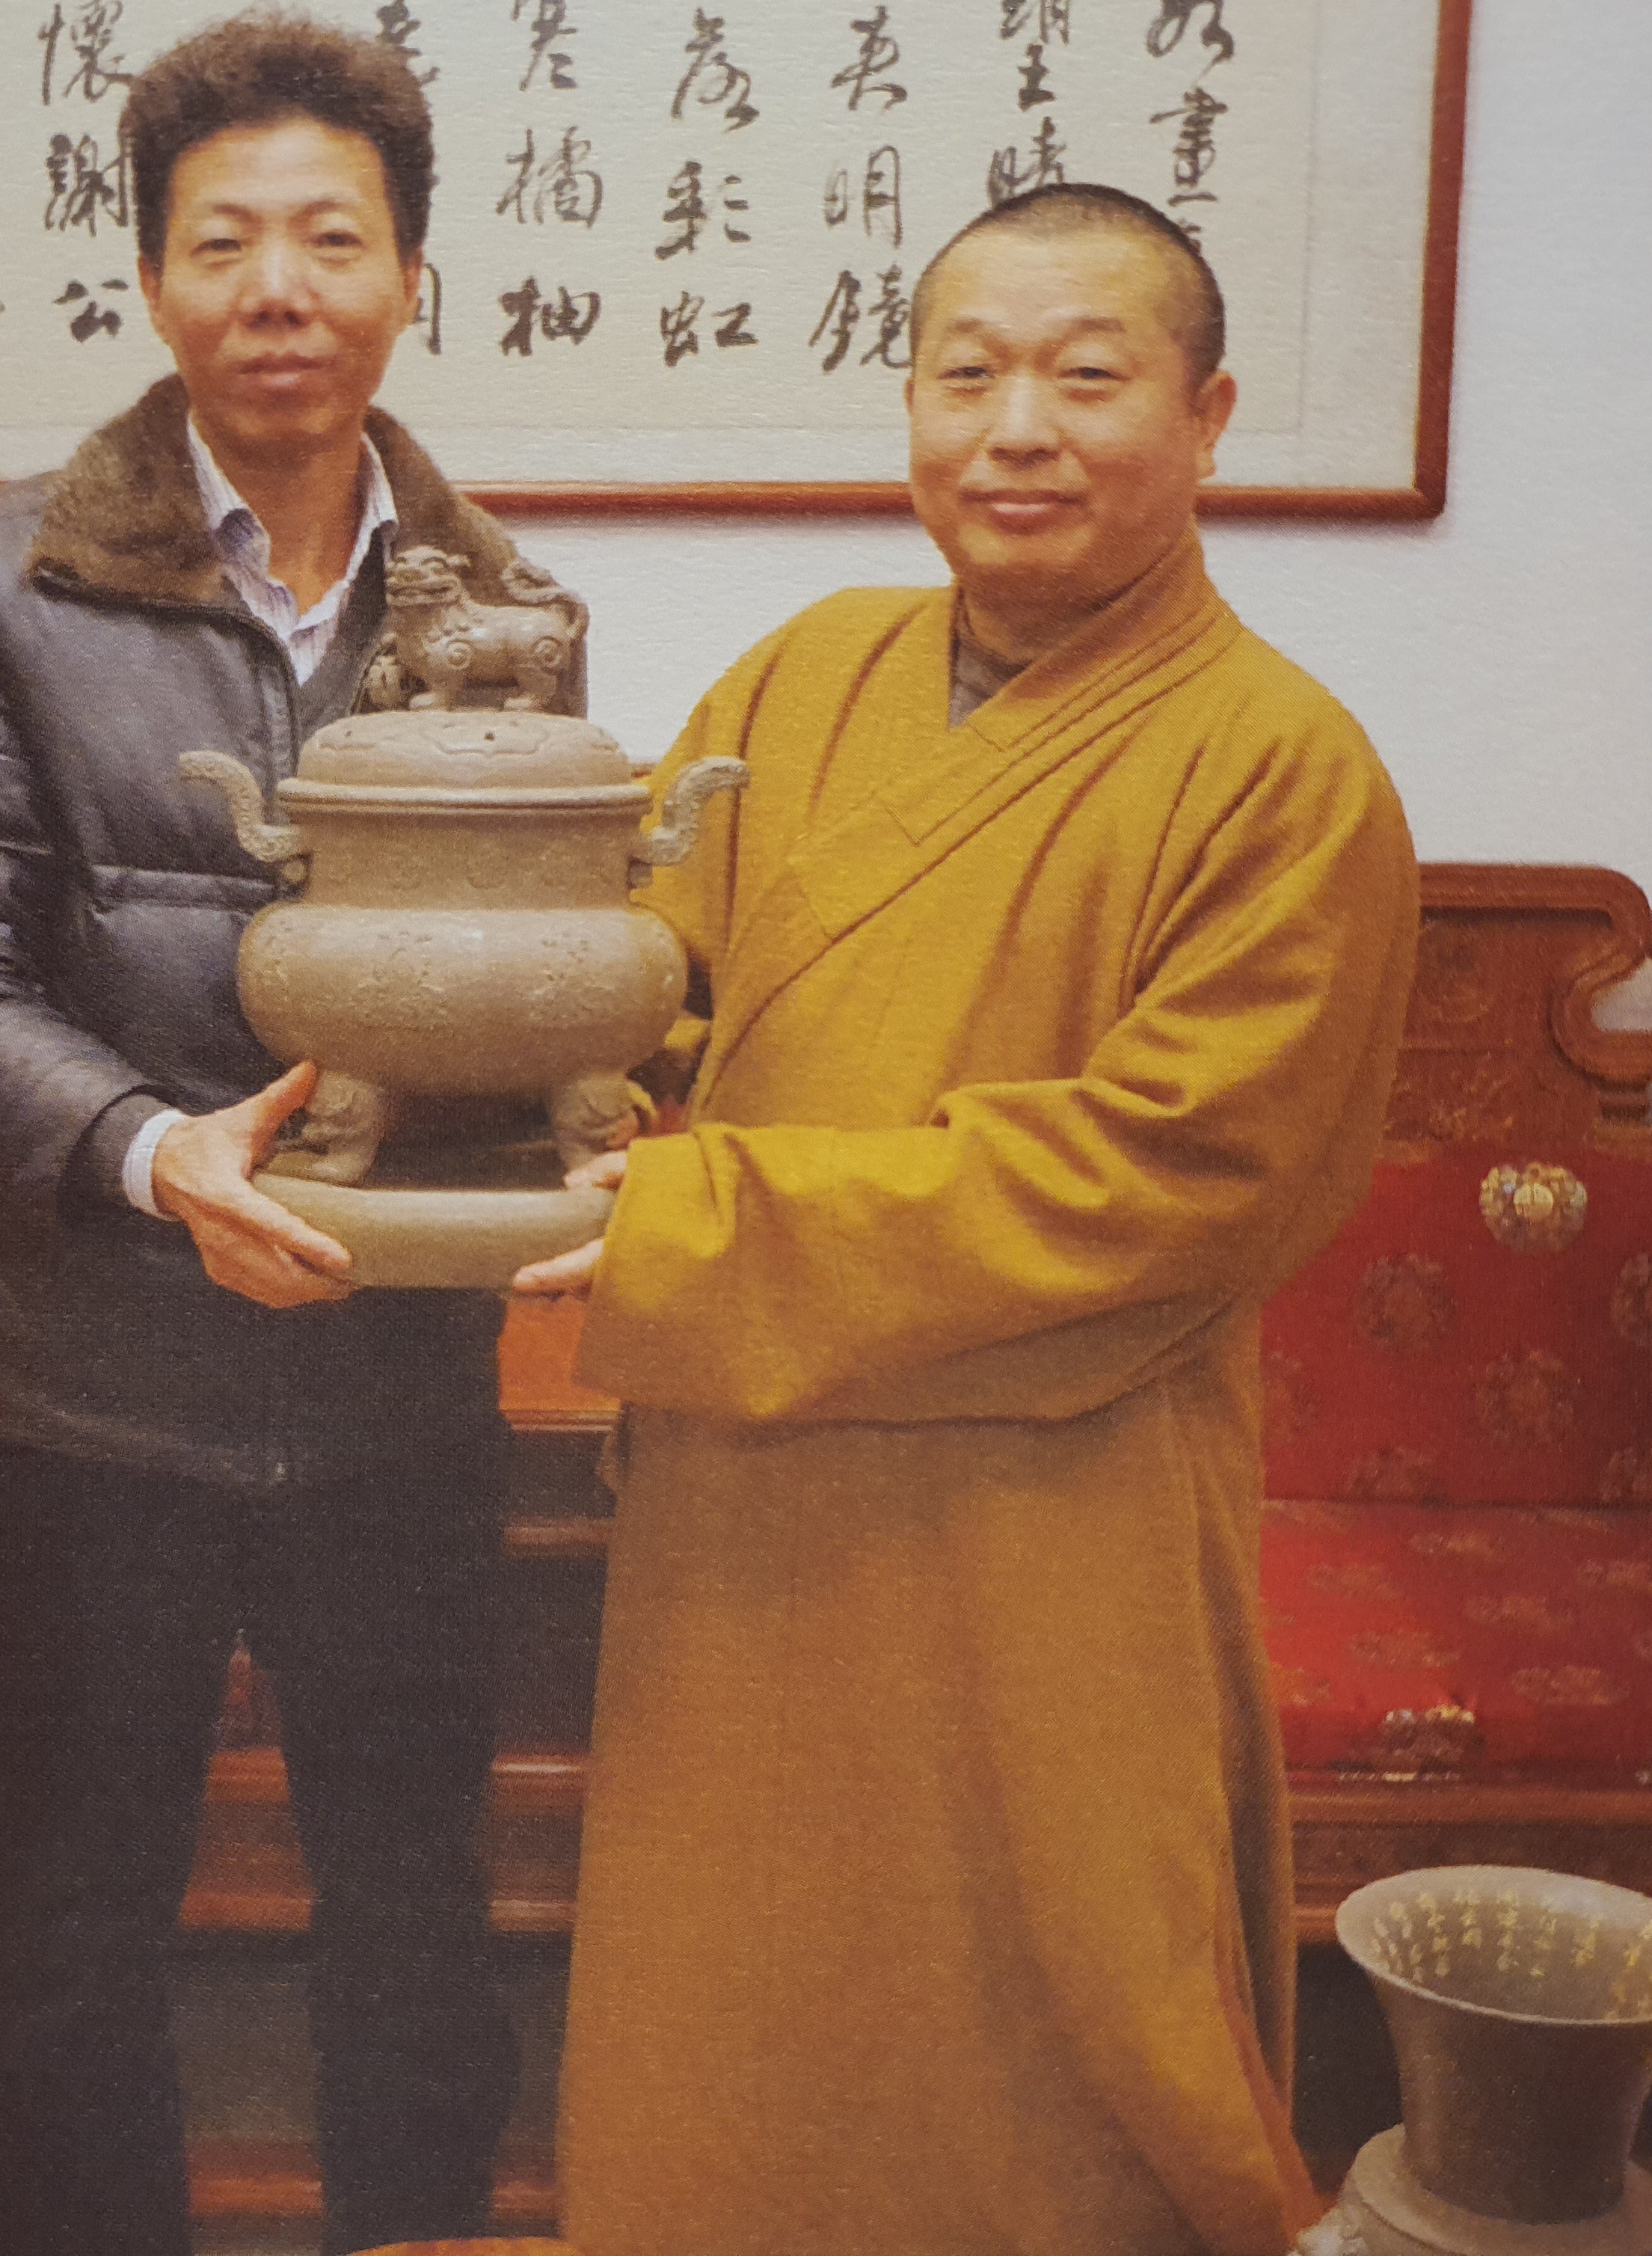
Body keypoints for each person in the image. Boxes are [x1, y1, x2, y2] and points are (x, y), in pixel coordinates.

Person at [519, 184, 1422, 2256]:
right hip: (751, 1491)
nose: (1019, 428)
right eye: (968, 373)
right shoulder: (803, 676)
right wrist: (555, 1088)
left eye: (1088, 378)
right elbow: (645, 971)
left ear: (1205, 419)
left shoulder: (1283, 769)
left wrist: (706, 1218)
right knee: (734, 1993)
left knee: (1065, 2003)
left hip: (1054, 1504)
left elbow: (1183, 1175)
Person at [0, 16, 539, 2256]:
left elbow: (526, 972)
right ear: (150, 278)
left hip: (397, 1393)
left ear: (410, 276)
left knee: (417, 1915)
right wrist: (162, 1158)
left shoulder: (506, 614)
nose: (279, 288)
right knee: (73, 1931)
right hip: (93, 1391)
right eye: (224, 240)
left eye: (333, 238)